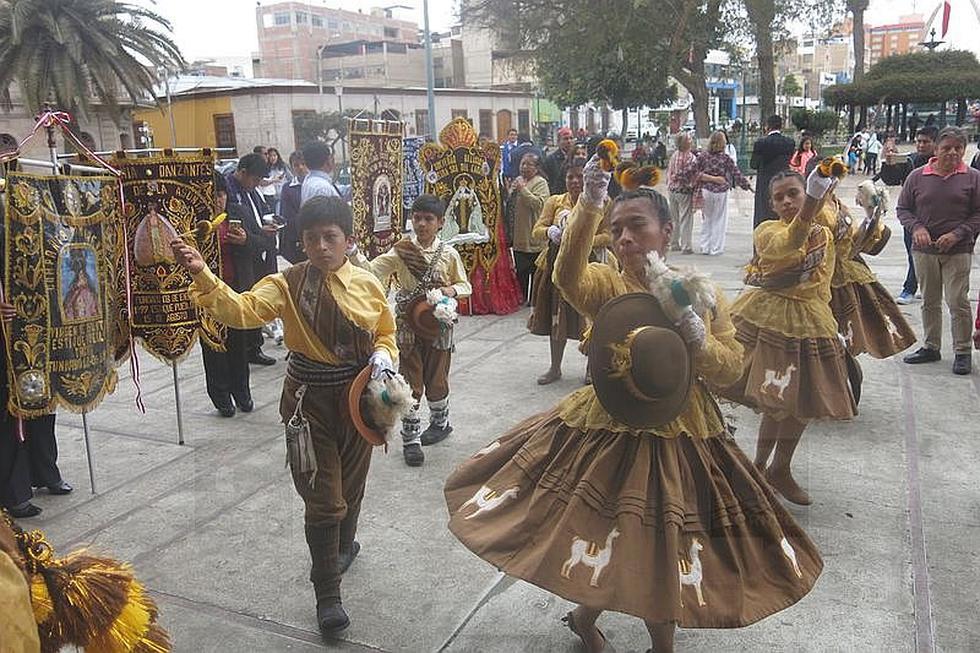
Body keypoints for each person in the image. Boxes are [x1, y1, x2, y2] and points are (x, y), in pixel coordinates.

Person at [445, 157, 822, 653]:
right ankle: (607, 626)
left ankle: (604, 625)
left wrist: (697, 337)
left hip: (683, 433)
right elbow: (568, 278)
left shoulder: (703, 294)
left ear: (666, 231)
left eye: (637, 226)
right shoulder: (609, 286)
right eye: (617, 228)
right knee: (605, 533)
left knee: (661, 544)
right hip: (608, 427)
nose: (624, 238)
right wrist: (588, 207)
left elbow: (731, 368)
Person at [172, 195, 398, 634]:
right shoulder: (286, 283)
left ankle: (344, 546)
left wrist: (385, 354)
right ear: (301, 242)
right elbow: (242, 310)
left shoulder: (369, 284)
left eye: (330, 237)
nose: (321, 247)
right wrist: (202, 273)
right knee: (323, 498)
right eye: (311, 239)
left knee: (351, 487)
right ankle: (327, 595)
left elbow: (385, 331)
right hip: (307, 403)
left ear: (348, 240)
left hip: (359, 398)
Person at [715, 168, 856, 505]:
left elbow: (844, 252)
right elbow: (789, 244)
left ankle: (779, 467)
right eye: (780, 198)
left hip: (813, 321)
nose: (788, 201)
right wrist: (811, 205)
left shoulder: (823, 231)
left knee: (801, 402)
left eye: (794, 193)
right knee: (774, 399)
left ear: (805, 193)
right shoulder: (767, 231)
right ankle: (758, 466)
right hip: (770, 318)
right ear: (772, 205)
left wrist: (852, 208)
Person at [350, 194, 471, 467]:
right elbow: (371, 271)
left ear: (441, 222)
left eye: (428, 219)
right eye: (417, 218)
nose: (422, 224)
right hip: (407, 325)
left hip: (438, 324)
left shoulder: (449, 254)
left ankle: (440, 424)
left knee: (437, 379)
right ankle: (411, 439)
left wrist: (450, 290)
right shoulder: (400, 251)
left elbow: (466, 286)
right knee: (410, 382)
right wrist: (354, 252)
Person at [897, 126, 980, 376]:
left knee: (958, 300)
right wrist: (917, 228)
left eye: (958, 148)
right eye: (947, 148)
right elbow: (903, 209)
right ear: (936, 149)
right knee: (929, 300)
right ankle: (931, 346)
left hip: (958, 250)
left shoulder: (973, 178)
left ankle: (962, 351)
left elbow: (978, 213)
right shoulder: (917, 176)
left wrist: (958, 233)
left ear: (964, 150)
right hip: (924, 250)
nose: (952, 153)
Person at [528, 158, 610, 385]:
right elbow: (537, 230)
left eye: (579, 176)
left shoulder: (602, 202)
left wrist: (582, 240)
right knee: (557, 318)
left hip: (592, 268)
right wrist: (550, 232)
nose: (574, 181)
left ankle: (591, 369)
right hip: (558, 268)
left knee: (592, 319)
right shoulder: (555, 202)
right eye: (570, 176)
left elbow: (609, 235)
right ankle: (555, 368)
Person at [826, 180, 916, 358]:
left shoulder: (837, 203)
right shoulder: (811, 206)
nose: (832, 180)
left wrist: (872, 215)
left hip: (844, 277)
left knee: (850, 340)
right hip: (822, 280)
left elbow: (855, 243)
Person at [199, 174, 256, 417]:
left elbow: (263, 242)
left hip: (236, 291)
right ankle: (221, 396)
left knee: (239, 345)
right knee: (213, 347)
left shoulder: (238, 213)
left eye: (221, 195)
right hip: (208, 296)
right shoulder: (197, 222)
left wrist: (245, 240)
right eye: (212, 196)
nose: (217, 200)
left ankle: (242, 392)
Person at [224, 153, 278, 366]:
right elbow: (241, 234)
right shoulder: (229, 193)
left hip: (257, 253)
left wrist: (264, 228)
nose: (256, 184)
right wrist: (256, 236)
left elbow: (255, 221)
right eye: (255, 179)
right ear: (243, 172)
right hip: (242, 259)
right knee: (245, 304)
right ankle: (247, 349)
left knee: (257, 300)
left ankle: (255, 346)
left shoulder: (252, 192)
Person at [687, 130, 752, 256]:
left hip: (706, 190)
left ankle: (705, 246)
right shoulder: (726, 158)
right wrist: (746, 186)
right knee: (719, 220)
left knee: (707, 219)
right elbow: (736, 173)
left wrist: (705, 177)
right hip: (721, 191)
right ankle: (716, 248)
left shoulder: (703, 157)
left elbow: (691, 171)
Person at [896, 125, 939, 305]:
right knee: (913, 253)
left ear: (936, 143)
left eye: (925, 142)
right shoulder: (910, 160)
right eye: (918, 141)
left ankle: (919, 287)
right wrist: (889, 165)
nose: (921, 145)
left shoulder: (943, 164)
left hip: (936, 218)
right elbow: (892, 178)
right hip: (912, 217)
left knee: (932, 257)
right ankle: (911, 288)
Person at [506, 152, 549, 304]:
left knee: (536, 273)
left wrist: (523, 189)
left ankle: (536, 301)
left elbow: (538, 204)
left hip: (533, 238)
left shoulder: (540, 182)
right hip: (519, 237)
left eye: (529, 164)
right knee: (521, 272)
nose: (524, 167)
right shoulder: (518, 180)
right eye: (522, 163)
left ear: (536, 168)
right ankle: (521, 298)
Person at [750, 115, 796, 227]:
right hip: (783, 181)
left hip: (765, 182)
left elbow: (753, 164)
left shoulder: (761, 143)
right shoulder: (789, 143)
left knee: (764, 212)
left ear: (767, 126)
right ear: (781, 126)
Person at [667, 131, 697, 253]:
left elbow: (670, 172)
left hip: (672, 190)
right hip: (684, 191)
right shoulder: (690, 157)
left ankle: (674, 243)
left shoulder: (674, 155)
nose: (691, 141)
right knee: (686, 218)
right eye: (689, 139)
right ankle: (686, 246)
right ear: (686, 143)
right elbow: (690, 175)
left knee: (674, 218)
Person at [280, 150, 309, 264]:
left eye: (303, 164)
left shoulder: (314, 185)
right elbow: (287, 215)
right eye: (296, 165)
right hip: (296, 237)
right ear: (292, 167)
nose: (300, 168)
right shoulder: (288, 188)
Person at [543, 126, 576, 194]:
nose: (569, 141)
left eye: (571, 138)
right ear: (558, 141)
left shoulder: (578, 157)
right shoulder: (551, 160)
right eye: (565, 139)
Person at [259, 147, 290, 212]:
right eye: (270, 156)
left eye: (274, 155)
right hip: (271, 196)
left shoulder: (283, 166)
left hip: (282, 195)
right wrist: (274, 180)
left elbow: (290, 178)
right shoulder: (266, 168)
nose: (273, 158)